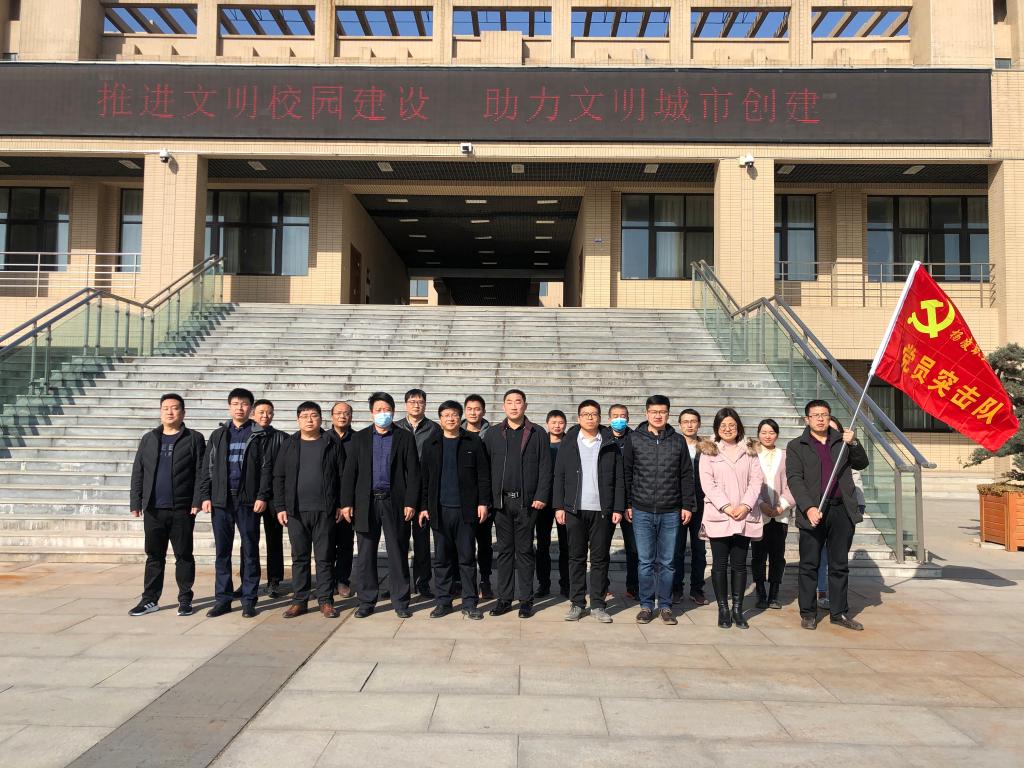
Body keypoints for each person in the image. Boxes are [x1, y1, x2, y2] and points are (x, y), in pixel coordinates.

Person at [786, 399, 869, 631]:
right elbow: (794, 479)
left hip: (841, 510)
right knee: (809, 564)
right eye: (816, 415)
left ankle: (839, 612)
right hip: (813, 511)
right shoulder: (796, 446)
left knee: (839, 564)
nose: (821, 419)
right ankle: (808, 612)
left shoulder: (842, 442)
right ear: (807, 419)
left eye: (824, 414)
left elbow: (862, 463)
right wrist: (808, 507)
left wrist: (854, 443)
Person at [341, 392, 421, 619]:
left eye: (386, 410)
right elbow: (350, 473)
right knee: (366, 553)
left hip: (394, 502)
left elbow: (413, 473)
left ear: (393, 412)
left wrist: (410, 502)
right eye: (378, 410)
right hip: (366, 503)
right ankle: (366, 601)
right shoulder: (360, 438)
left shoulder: (404, 437)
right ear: (371, 413)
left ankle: (401, 601)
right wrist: (346, 503)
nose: (382, 414)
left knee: (397, 551)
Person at [128, 394, 206, 617]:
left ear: (183, 412)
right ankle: (149, 600)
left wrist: (197, 500)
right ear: (160, 412)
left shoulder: (194, 438)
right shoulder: (149, 438)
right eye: (165, 408)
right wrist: (136, 501)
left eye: (174, 408)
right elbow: (138, 471)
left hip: (182, 509)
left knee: (184, 556)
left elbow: (201, 472)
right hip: (153, 509)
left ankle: (185, 599)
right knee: (154, 556)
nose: (170, 412)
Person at [622, 395, 695, 625]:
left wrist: (687, 505)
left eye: (662, 411)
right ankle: (646, 605)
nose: (658, 415)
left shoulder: (678, 441)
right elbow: (626, 473)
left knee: (667, 562)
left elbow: (686, 475)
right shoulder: (634, 439)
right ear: (646, 413)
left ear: (668, 414)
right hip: (641, 509)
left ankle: (665, 605)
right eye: (654, 411)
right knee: (645, 561)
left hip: (670, 510)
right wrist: (627, 504)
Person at [198, 388, 271, 618]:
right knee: (223, 552)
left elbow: (266, 468)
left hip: (248, 500)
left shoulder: (260, 435)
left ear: (251, 408)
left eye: (245, 404)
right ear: (229, 406)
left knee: (250, 550)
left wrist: (262, 496)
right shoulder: (218, 435)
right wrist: (205, 495)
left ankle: (249, 600)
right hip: (221, 500)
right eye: (236, 403)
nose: (240, 408)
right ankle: (223, 599)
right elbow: (207, 467)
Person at [553, 400, 625, 623]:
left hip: (602, 510)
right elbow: (559, 475)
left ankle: (598, 604)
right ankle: (577, 603)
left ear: (600, 417)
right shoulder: (569, 442)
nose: (590, 418)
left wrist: (618, 507)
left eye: (594, 414)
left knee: (600, 558)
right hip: (574, 509)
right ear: (578, 418)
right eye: (586, 414)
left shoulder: (610, 442)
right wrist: (559, 506)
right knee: (576, 557)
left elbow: (619, 478)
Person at [419, 400, 491, 620]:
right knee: (442, 559)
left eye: (454, 415)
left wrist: (483, 503)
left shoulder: (473, 441)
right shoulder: (431, 444)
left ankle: (470, 603)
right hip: (439, 511)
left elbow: (483, 475)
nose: (450, 419)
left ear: (460, 418)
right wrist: (423, 507)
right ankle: (443, 601)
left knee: (467, 559)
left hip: (465, 511)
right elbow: (425, 480)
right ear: (440, 419)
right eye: (446, 415)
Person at [483, 389, 552, 619]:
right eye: (509, 402)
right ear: (503, 406)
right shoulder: (493, 434)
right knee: (504, 551)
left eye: (518, 402)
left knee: (524, 551)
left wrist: (541, 495)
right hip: (501, 503)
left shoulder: (537, 433)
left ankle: (525, 600)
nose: (514, 406)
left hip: (527, 503)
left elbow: (545, 467)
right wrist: (488, 499)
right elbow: (485, 469)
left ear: (525, 405)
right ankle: (504, 599)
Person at [273, 402, 346, 619]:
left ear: (321, 419)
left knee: (324, 558)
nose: (309, 420)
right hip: (296, 511)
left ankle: (325, 601)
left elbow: (342, 475)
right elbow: (279, 477)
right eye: (304, 416)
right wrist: (280, 507)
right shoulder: (289, 444)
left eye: (314, 415)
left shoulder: (331, 442)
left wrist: (341, 504)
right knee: (300, 558)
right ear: (298, 420)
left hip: (325, 510)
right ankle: (299, 601)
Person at [699, 408, 765, 630]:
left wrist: (745, 505)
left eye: (732, 425)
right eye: (723, 425)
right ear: (717, 428)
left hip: (744, 514)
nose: (728, 429)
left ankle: (737, 609)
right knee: (719, 564)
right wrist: (726, 506)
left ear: (738, 427)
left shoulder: (750, 450)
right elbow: (707, 483)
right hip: (719, 514)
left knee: (739, 564)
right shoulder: (709, 451)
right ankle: (723, 609)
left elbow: (756, 481)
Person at [816, 415, 867, 612]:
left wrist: (853, 443)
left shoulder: (847, 448)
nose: (830, 433)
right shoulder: (814, 448)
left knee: (837, 557)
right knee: (820, 554)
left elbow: (859, 469)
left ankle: (838, 601)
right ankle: (821, 591)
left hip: (843, 508)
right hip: (820, 507)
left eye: (834, 430)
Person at [395, 388, 441, 599]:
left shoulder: (434, 429)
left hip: (424, 491)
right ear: (405, 404)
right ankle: (399, 583)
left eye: (420, 402)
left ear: (425, 405)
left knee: (422, 540)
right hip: (399, 490)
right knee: (398, 540)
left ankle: (423, 583)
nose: (416, 405)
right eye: (412, 401)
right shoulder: (395, 427)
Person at [750, 418, 795, 611]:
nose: (767, 436)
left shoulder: (785, 455)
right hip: (758, 514)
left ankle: (774, 594)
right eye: (764, 432)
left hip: (780, 514)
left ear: (777, 434)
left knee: (777, 555)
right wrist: (761, 504)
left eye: (771, 432)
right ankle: (760, 592)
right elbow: (748, 483)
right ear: (758, 434)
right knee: (758, 556)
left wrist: (781, 506)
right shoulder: (751, 455)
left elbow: (792, 483)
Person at [673, 409, 709, 606]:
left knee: (699, 550)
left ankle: (697, 589)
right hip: (677, 505)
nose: (689, 425)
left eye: (693, 421)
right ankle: (676, 589)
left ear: (699, 424)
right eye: (685, 421)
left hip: (702, 505)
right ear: (679, 425)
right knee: (676, 550)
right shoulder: (674, 444)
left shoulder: (708, 447)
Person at [252, 399, 286, 598]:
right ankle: (249, 580)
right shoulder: (247, 436)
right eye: (261, 412)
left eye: (269, 412)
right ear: (253, 414)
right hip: (250, 496)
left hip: (273, 497)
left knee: (274, 540)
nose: (265, 416)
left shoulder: (281, 437)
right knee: (249, 540)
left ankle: (274, 580)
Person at [462, 394, 494, 599]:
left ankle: (485, 580)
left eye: (477, 409)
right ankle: (463, 582)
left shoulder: (493, 434)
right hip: (462, 497)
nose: (473, 412)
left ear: (483, 411)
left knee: (484, 543)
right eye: (470, 409)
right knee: (462, 544)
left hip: (485, 497)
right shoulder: (454, 431)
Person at [536, 409, 569, 598]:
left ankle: (566, 584)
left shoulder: (571, 442)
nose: (557, 426)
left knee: (566, 545)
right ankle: (543, 584)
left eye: (561, 422)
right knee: (542, 544)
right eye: (554, 422)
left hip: (564, 501)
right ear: (547, 424)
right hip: (544, 500)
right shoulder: (541, 442)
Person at [607, 404, 638, 600]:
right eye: (615, 415)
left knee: (634, 549)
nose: (619, 419)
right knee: (601, 548)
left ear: (628, 418)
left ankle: (633, 586)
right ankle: (602, 586)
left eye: (623, 416)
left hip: (630, 503)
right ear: (609, 418)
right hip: (607, 501)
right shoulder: (602, 437)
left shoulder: (635, 439)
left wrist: (630, 503)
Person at [327, 401, 355, 599]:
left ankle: (342, 580)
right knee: (326, 544)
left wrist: (346, 503)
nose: (342, 416)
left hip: (349, 502)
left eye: (346, 413)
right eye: (338, 413)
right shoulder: (323, 438)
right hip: (326, 500)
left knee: (345, 543)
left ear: (351, 416)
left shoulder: (359, 439)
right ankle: (327, 581)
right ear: (332, 416)